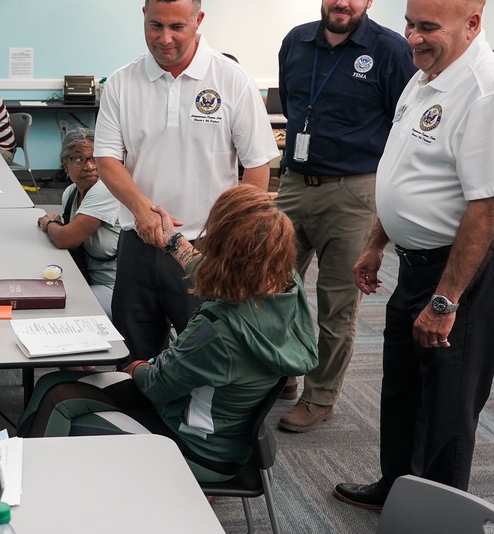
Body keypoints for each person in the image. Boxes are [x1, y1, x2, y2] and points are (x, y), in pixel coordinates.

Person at [335, 0, 494, 510]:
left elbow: (489, 205)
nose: (412, 38)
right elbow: (407, 167)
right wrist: (378, 240)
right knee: (403, 383)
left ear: (472, 23)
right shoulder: (428, 74)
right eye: (408, 24)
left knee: (448, 397)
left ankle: (438, 523)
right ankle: (396, 489)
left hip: (470, 267)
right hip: (420, 260)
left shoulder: (489, 90)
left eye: (427, 27)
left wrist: (446, 301)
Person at [17, 186, 318, 482]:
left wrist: (136, 367)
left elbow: (156, 387)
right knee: (52, 384)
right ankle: (17, 476)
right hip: (218, 426)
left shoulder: (218, 331)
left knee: (58, 403)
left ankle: (27, 491)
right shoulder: (285, 287)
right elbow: (216, 275)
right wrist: (173, 241)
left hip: (195, 447)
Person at [94, 0, 278, 361]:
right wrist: (142, 211)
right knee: (133, 356)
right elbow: (107, 159)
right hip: (138, 244)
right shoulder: (122, 83)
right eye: (154, 25)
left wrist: (228, 237)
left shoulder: (233, 81)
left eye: (177, 26)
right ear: (143, 14)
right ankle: (138, 424)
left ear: (199, 20)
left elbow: (257, 168)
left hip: (204, 249)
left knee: (209, 358)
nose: (165, 38)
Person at [274, 0, 417, 433]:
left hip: (352, 194)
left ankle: (320, 396)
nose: (342, 1)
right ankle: (282, 373)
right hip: (292, 185)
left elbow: (404, 127)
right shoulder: (296, 42)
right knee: (272, 288)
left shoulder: (391, 51)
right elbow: (293, 104)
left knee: (337, 304)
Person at [35, 128, 122, 318]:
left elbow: (66, 239)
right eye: (78, 159)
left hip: (115, 289)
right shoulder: (70, 194)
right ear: (65, 165)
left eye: (95, 158)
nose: (89, 166)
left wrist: (50, 223)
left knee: (50, 306)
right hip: (85, 279)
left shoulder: (106, 190)